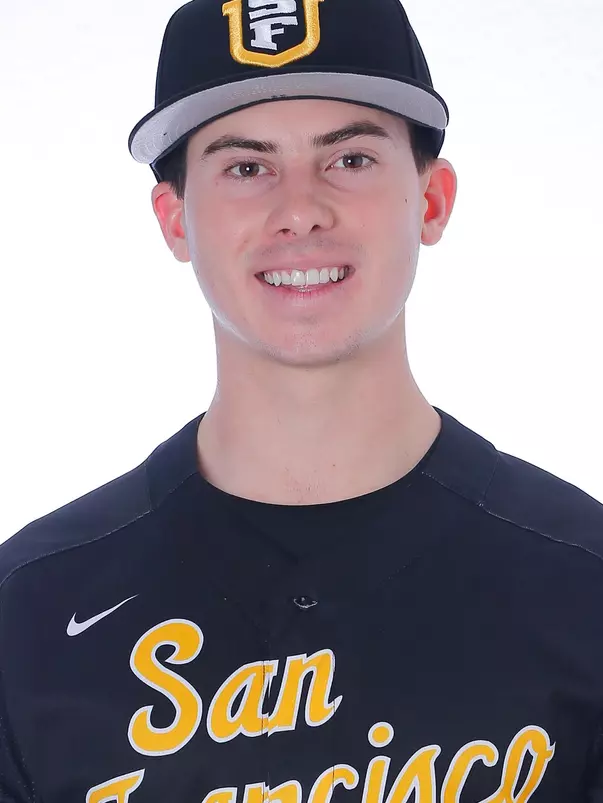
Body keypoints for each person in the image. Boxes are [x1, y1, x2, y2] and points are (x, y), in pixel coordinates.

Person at [2, 0, 603, 800]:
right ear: (175, 219)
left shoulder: (582, 585)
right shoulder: (32, 612)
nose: (299, 211)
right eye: (246, 167)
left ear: (430, 200)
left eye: (349, 159)